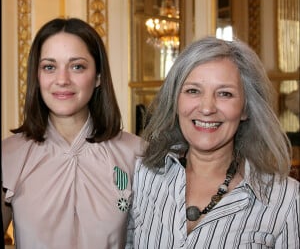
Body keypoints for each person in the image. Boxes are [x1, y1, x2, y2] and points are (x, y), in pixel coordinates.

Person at [126, 36, 300, 248]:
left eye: (225, 94)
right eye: (193, 91)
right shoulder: (143, 175)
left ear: (245, 108)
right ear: (176, 100)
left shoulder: (287, 201)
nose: (207, 108)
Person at [1, 17, 145, 249]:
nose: (62, 80)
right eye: (49, 67)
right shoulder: (8, 156)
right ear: (37, 77)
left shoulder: (136, 154)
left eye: (77, 66)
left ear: (98, 76)